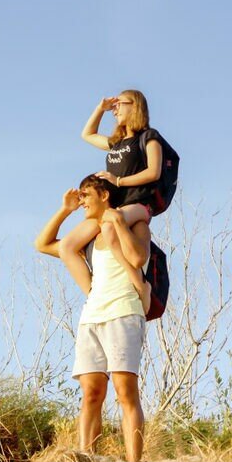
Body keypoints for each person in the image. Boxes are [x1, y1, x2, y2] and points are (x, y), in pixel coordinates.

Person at [34, 175, 150, 462]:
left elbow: (137, 259)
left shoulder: (136, 225)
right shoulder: (88, 239)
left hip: (123, 312)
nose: (82, 200)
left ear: (105, 196)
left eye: (86, 195)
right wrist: (65, 210)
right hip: (92, 317)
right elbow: (43, 244)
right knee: (91, 394)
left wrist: (119, 224)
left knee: (125, 393)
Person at [58, 90, 162, 303]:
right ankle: (93, 295)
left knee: (109, 225)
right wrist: (100, 109)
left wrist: (118, 181)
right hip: (115, 208)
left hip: (138, 204)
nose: (115, 110)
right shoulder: (116, 143)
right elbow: (86, 134)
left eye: (119, 105)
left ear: (135, 106)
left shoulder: (149, 137)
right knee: (67, 246)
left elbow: (154, 172)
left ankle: (139, 285)